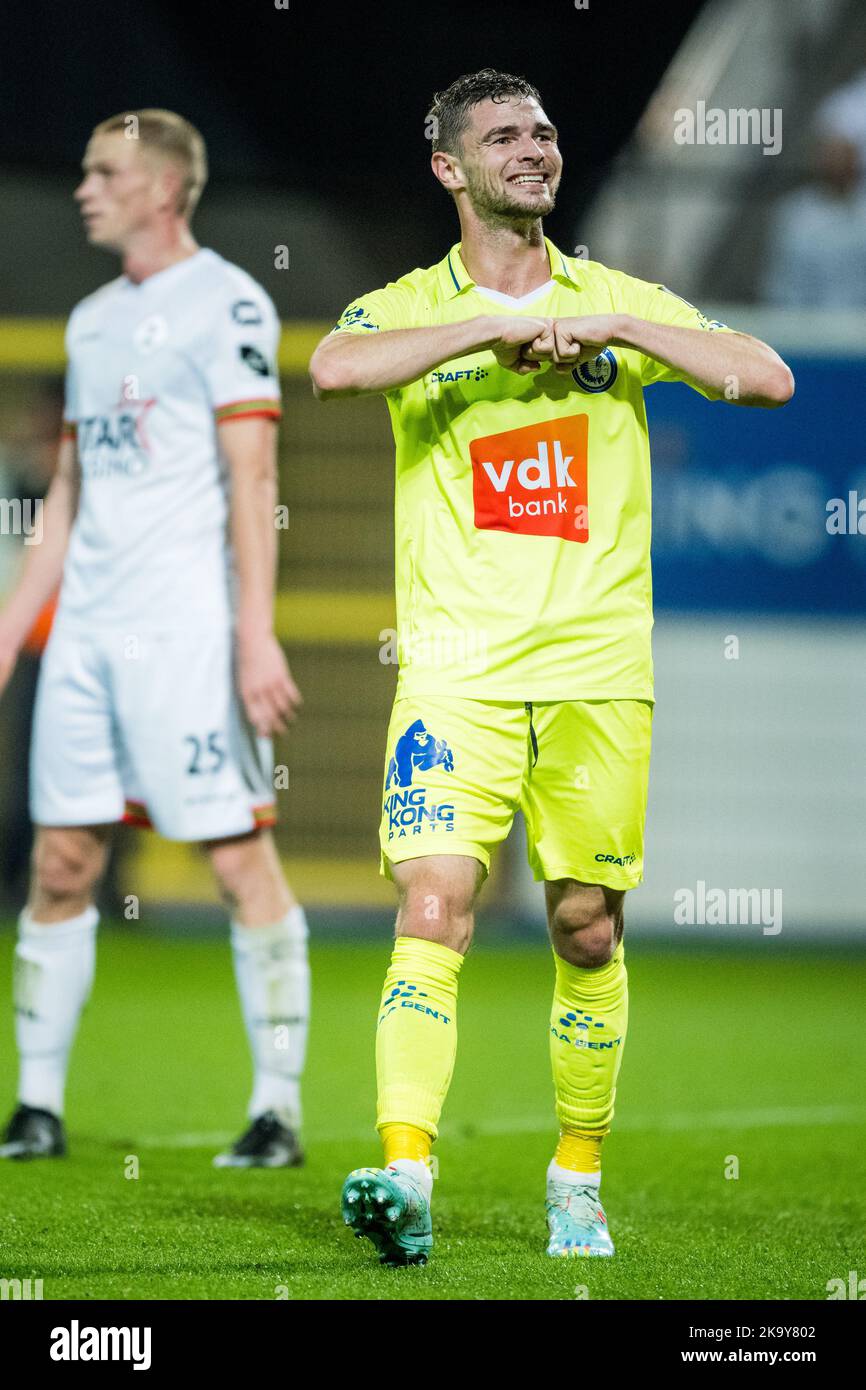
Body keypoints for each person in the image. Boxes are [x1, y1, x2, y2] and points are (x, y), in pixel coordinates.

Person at [310, 68, 794, 1266]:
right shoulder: (411, 307)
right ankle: (407, 1173)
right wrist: (486, 329)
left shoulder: (614, 297)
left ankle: (574, 1179)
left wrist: (622, 331)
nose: (533, 149)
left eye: (543, 132)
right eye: (502, 137)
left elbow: (765, 375)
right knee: (434, 906)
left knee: (584, 927)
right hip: (454, 673)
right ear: (448, 168)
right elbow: (332, 367)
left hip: (594, 672)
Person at [0, 109, 310, 1169]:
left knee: (236, 858)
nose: (82, 186)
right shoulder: (89, 322)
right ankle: (35, 1106)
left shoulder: (227, 300)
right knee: (60, 858)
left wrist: (253, 635)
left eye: (104, 171)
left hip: (185, 628)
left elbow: (251, 477)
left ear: (165, 188)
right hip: (84, 633)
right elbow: (72, 490)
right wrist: (8, 629)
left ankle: (277, 1110)